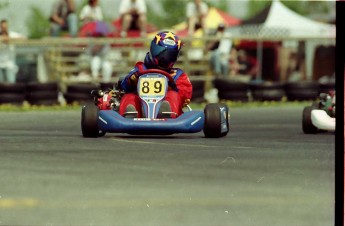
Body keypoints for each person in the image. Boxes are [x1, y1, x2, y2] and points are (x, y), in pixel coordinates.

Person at [119, 31, 192, 118]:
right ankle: (130, 113)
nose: (163, 58)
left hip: (168, 109)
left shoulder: (177, 75)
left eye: (169, 55)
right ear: (152, 49)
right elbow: (124, 86)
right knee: (129, 96)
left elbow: (185, 94)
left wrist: (172, 87)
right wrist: (132, 79)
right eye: (160, 52)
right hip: (141, 109)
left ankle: (165, 112)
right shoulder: (140, 68)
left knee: (173, 95)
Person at [0, 19, 18, 83]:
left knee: (11, 84)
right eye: (2, 27)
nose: (4, 28)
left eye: (5, 27)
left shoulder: (12, 34)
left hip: (9, 64)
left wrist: (9, 39)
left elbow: (24, 38)